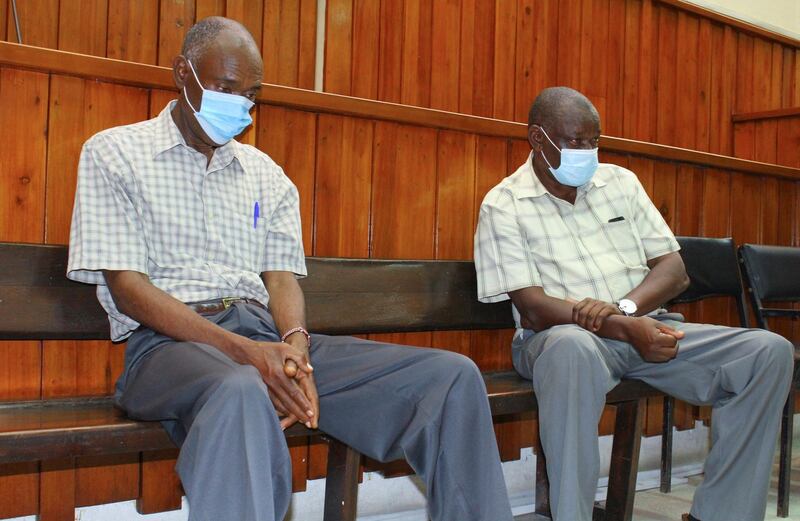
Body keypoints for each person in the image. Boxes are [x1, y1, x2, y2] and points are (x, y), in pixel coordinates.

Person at [67, 16, 513, 521]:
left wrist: (296, 354)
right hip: (168, 348)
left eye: (250, 94)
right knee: (239, 389)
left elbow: (280, 277)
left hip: (264, 337)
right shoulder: (115, 153)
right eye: (224, 87)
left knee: (449, 377)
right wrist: (247, 355)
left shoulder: (267, 176)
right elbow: (128, 289)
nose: (239, 104)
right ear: (181, 74)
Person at [474, 86, 793, 521]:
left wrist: (624, 312)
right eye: (574, 141)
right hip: (558, 339)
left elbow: (673, 270)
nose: (587, 152)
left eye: (594, 141)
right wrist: (619, 328)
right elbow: (532, 305)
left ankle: (721, 514)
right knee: (571, 348)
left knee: (767, 352)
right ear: (537, 138)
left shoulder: (619, 182)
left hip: (646, 327)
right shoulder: (504, 204)